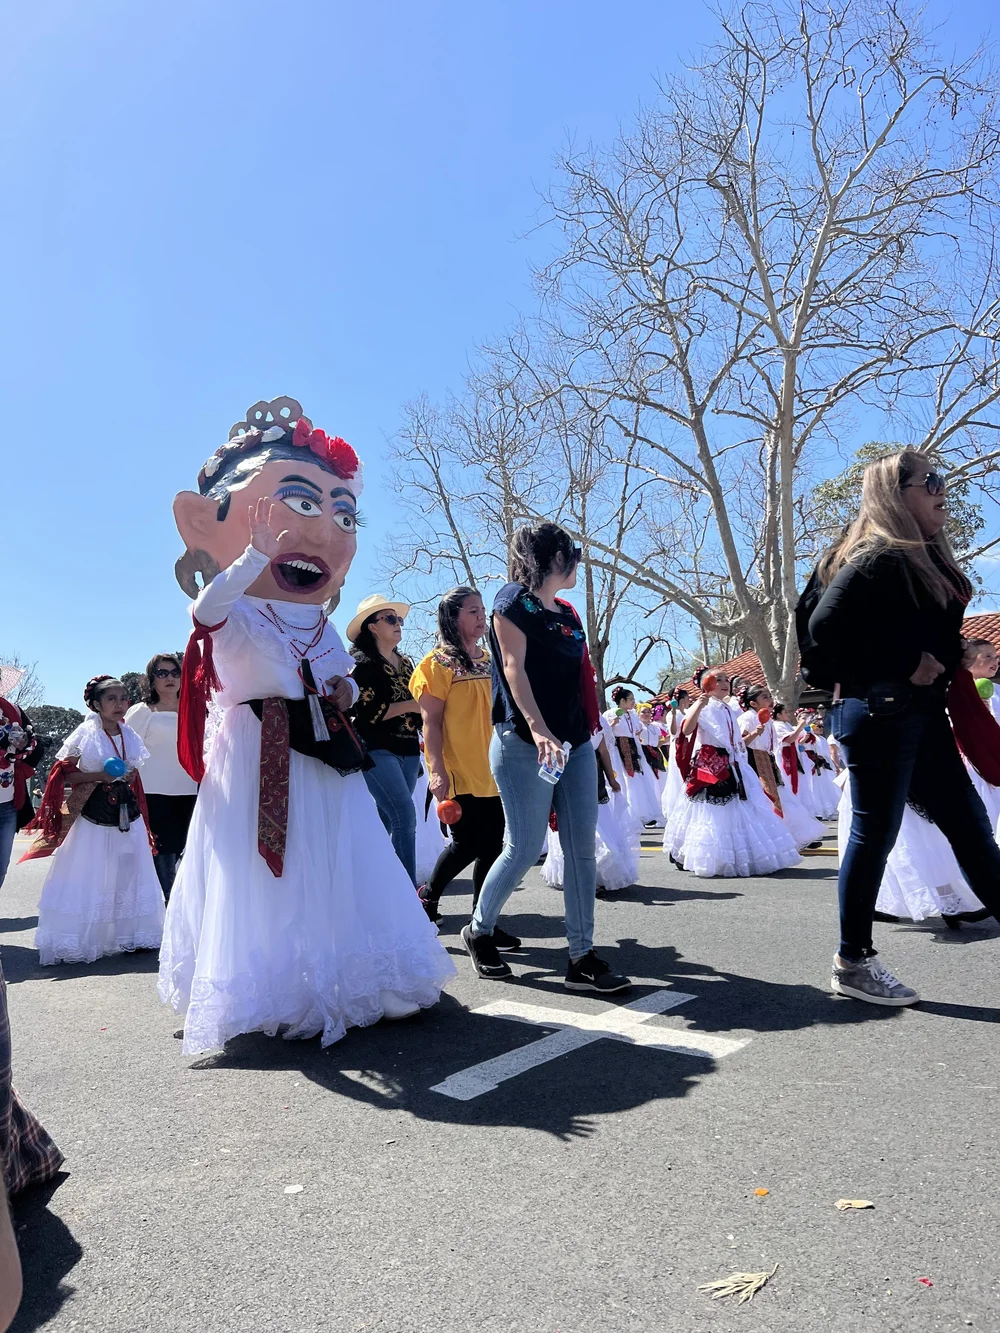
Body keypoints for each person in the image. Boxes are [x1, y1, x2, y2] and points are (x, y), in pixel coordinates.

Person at [161, 397, 454, 1054]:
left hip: (320, 748)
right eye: (302, 505)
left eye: (343, 513)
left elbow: (336, 677)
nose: (323, 528)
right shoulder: (236, 607)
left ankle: (351, 974)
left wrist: (344, 686)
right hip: (256, 745)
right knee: (266, 871)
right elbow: (203, 612)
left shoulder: (317, 623)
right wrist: (253, 554)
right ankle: (276, 985)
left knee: (337, 857)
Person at [808, 448, 1000, 1006]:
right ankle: (853, 961)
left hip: (917, 713)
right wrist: (905, 660)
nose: (943, 488)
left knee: (969, 828)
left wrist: (950, 649)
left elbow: (904, 625)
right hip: (883, 715)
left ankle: (853, 960)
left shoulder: (914, 556)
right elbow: (824, 630)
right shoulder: (879, 555)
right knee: (874, 835)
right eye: (930, 480)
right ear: (896, 494)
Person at [461, 521, 630, 993]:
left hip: (573, 744)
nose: (577, 560)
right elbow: (513, 667)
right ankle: (478, 928)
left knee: (580, 849)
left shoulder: (570, 614)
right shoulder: (511, 601)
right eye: (571, 552)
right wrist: (538, 729)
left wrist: (593, 744)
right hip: (523, 741)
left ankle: (582, 956)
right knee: (522, 845)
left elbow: (583, 683)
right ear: (551, 558)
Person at [26, 676, 164, 965]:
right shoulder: (85, 732)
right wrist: (100, 776)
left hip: (126, 810)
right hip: (93, 812)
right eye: (111, 699)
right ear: (96, 704)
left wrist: (125, 777)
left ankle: (133, 936)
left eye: (123, 698)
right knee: (89, 869)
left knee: (131, 867)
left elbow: (134, 770)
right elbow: (66, 774)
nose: (119, 704)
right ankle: (82, 939)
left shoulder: (129, 735)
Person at [409, 587, 520, 948]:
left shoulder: (491, 660)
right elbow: (432, 724)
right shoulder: (436, 665)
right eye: (472, 611)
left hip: (495, 767)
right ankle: (429, 894)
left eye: (482, 610)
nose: (480, 617)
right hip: (459, 768)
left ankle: (482, 921)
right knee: (467, 843)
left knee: (493, 848)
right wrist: (436, 770)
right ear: (452, 616)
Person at [664, 669, 801, 877]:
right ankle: (698, 854)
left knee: (748, 806)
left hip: (736, 764)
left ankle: (742, 855)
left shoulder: (729, 709)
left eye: (725, 679)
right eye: (717, 679)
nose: (723, 682)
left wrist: (753, 736)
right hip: (711, 764)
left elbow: (737, 744)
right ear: (704, 684)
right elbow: (686, 730)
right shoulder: (702, 705)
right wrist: (699, 704)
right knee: (710, 810)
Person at [347, 594, 422, 885]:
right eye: (390, 619)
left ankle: (370, 889)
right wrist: (412, 705)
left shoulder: (406, 663)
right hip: (376, 749)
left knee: (384, 821)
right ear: (372, 627)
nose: (398, 624)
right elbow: (365, 713)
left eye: (399, 619)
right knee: (404, 815)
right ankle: (408, 898)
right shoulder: (361, 665)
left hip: (408, 748)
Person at [125, 653, 198, 900]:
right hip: (154, 793)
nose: (170, 678)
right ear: (151, 679)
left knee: (188, 850)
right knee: (162, 852)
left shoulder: (196, 709)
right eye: (162, 673)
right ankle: (166, 910)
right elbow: (128, 752)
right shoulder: (142, 711)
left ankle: (186, 909)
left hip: (192, 790)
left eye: (175, 672)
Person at [737, 685, 824, 850]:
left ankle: (798, 836)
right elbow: (740, 744)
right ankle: (773, 839)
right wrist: (755, 733)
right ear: (753, 703)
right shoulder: (747, 718)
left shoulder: (767, 719)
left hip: (768, 759)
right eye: (764, 697)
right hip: (753, 760)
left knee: (782, 796)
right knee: (764, 798)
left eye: (769, 696)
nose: (769, 700)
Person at [0, 687, 44, 892]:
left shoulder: (13, 711)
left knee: (1, 867)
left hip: (8, 804)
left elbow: (37, 744)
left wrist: (25, 742)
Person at [607, 687, 661, 826]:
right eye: (631, 699)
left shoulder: (632, 715)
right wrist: (613, 724)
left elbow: (637, 731)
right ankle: (627, 816)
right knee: (624, 779)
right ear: (622, 701)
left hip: (632, 748)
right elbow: (605, 733)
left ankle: (642, 813)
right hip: (619, 749)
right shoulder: (610, 713)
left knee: (638, 779)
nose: (633, 702)